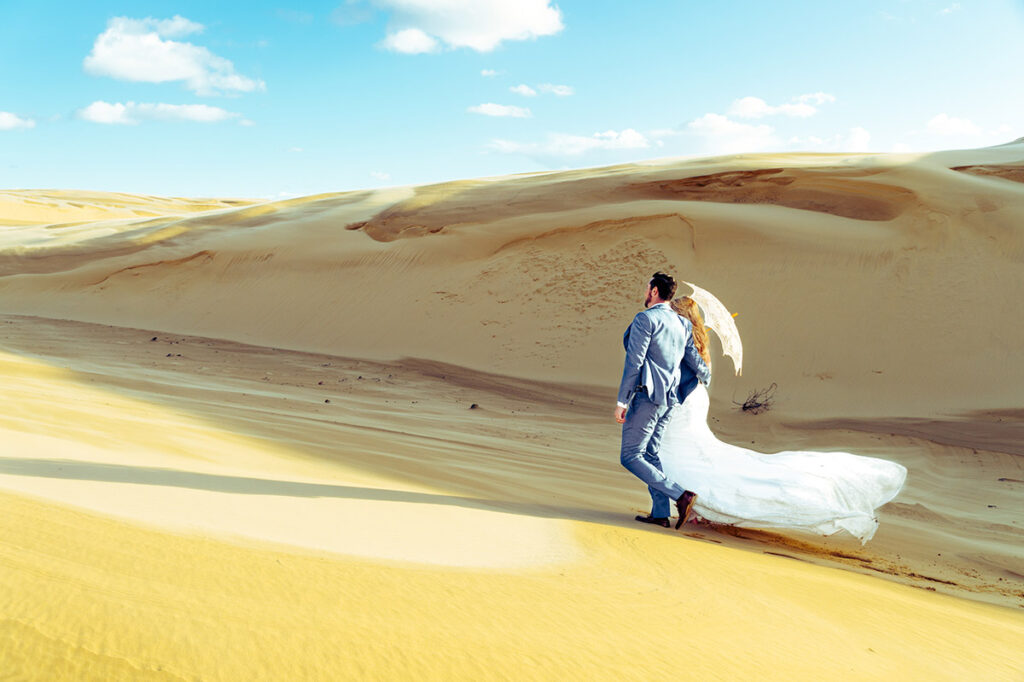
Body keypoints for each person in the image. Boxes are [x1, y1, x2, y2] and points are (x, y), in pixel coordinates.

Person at [656, 296, 907, 543]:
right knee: (690, 453)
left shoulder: (681, 339)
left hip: (684, 400)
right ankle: (695, 504)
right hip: (695, 399)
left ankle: (694, 501)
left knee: (675, 454)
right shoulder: (700, 341)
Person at [615, 273, 710, 530]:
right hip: (669, 400)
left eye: (647, 287)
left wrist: (622, 401)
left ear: (655, 291)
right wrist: (705, 376)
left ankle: (681, 495)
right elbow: (696, 362)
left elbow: (634, 362)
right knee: (650, 453)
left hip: (648, 396)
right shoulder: (683, 324)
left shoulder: (645, 319)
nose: (645, 291)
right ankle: (659, 513)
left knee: (630, 456)